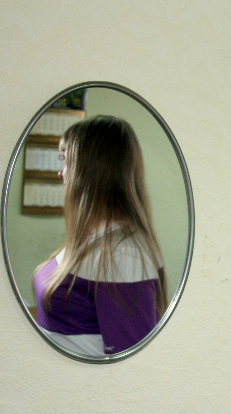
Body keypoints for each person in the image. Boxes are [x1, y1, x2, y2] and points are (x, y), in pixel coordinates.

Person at [33, 115, 167, 356]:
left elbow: (132, 366)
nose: (61, 173)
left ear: (91, 173)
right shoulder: (97, 239)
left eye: (67, 162)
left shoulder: (123, 254)